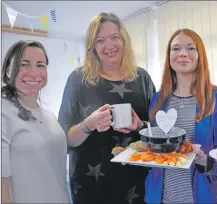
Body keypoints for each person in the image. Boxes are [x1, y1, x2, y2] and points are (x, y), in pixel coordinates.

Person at [58, 13, 156, 204]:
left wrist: (139, 125)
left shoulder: (141, 78)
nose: (109, 46)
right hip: (91, 188)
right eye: (100, 40)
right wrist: (88, 124)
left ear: (124, 40)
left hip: (138, 185)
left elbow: (158, 130)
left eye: (114, 37)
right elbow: (65, 138)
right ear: (92, 46)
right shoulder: (78, 80)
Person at [144, 28, 217, 204]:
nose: (183, 53)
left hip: (202, 197)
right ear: (169, 56)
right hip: (161, 197)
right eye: (176, 48)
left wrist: (202, 159)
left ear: (200, 55)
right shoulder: (158, 99)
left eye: (191, 48)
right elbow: (155, 144)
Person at [1, 40, 70, 203]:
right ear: (8, 70)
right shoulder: (3, 111)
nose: (33, 72)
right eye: (24, 64)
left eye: (40, 65)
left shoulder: (49, 117)